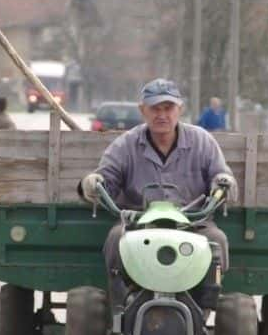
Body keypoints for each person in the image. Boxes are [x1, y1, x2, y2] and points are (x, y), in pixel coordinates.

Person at [78, 78, 238, 312]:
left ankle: (201, 312)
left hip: (193, 223)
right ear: (143, 111)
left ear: (179, 109)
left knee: (217, 242)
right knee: (115, 239)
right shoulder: (126, 145)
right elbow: (105, 180)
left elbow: (221, 176)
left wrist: (224, 183)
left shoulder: (203, 142)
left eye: (168, 108)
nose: (162, 115)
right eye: (155, 108)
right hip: (139, 224)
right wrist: (92, 184)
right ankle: (120, 311)